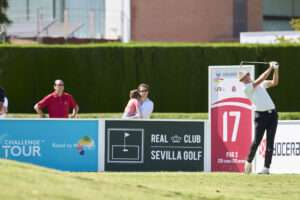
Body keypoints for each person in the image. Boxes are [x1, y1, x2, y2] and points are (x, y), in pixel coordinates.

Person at [239, 61, 279, 175]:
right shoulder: (247, 89)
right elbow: (261, 79)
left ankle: (266, 168)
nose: (245, 79)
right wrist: (270, 67)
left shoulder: (259, 84)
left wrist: (276, 70)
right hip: (260, 116)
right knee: (257, 141)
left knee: (270, 141)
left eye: (246, 76)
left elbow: (274, 82)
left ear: (248, 75)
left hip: (272, 115)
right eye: (243, 79)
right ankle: (248, 162)